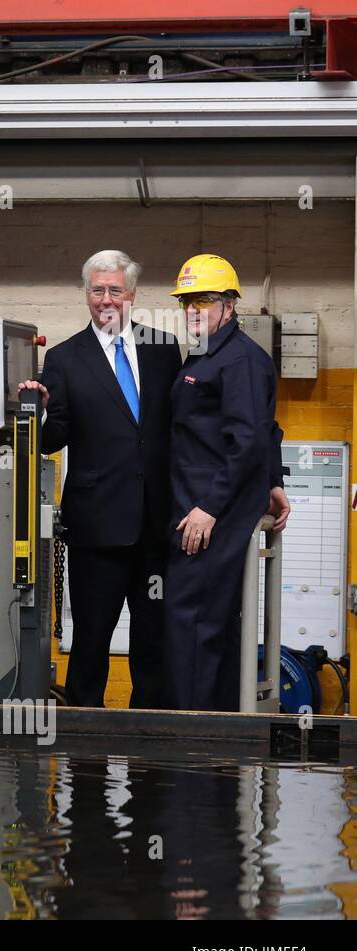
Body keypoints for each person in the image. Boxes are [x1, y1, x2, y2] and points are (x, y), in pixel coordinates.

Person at [19, 251, 182, 708]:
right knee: (90, 640)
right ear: (86, 295)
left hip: (154, 527)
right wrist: (38, 408)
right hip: (96, 529)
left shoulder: (163, 347)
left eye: (115, 290)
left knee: (153, 641)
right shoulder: (65, 358)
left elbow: (173, 427)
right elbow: (53, 439)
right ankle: (84, 752)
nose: (106, 299)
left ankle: (150, 740)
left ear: (131, 295)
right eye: (97, 290)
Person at [164, 254, 289, 711]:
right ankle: (214, 736)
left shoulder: (239, 361)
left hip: (210, 515)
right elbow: (264, 431)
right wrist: (273, 481)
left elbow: (250, 437)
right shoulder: (204, 353)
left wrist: (211, 507)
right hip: (195, 507)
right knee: (206, 621)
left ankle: (196, 736)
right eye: (187, 301)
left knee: (193, 621)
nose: (193, 309)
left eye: (204, 300)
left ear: (230, 305)